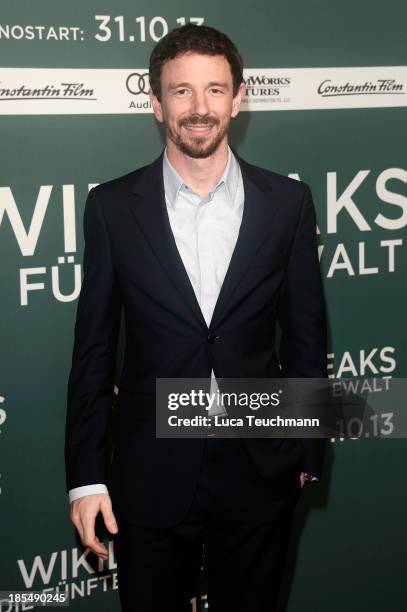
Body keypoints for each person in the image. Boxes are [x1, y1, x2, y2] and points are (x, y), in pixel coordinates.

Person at [65, 23, 327, 612]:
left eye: (214, 89)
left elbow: (307, 333)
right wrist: (86, 477)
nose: (200, 108)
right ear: (156, 103)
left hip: (261, 465)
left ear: (239, 97)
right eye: (181, 92)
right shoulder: (111, 207)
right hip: (149, 467)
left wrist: (309, 449)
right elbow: (94, 350)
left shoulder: (288, 203)